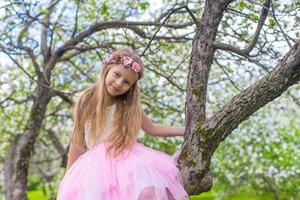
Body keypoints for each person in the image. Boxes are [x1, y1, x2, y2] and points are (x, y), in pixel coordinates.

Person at [57, 48, 188, 200]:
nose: (119, 83)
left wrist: (186, 130)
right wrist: (69, 178)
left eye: (127, 82)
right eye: (117, 74)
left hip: (128, 160)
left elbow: (152, 128)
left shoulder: (129, 105)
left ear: (131, 86)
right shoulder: (86, 100)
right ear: (107, 69)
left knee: (146, 191)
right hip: (97, 167)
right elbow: (77, 143)